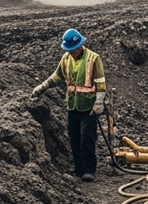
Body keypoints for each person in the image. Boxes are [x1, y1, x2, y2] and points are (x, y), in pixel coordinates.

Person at [31, 28, 106, 183]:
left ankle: (89, 170)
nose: (72, 52)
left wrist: (99, 102)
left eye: (74, 49)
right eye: (70, 50)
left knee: (87, 137)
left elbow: (100, 83)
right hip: (73, 104)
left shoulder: (93, 58)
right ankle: (78, 169)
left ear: (80, 46)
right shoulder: (66, 58)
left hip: (89, 106)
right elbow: (56, 77)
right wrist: (41, 87)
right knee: (74, 138)